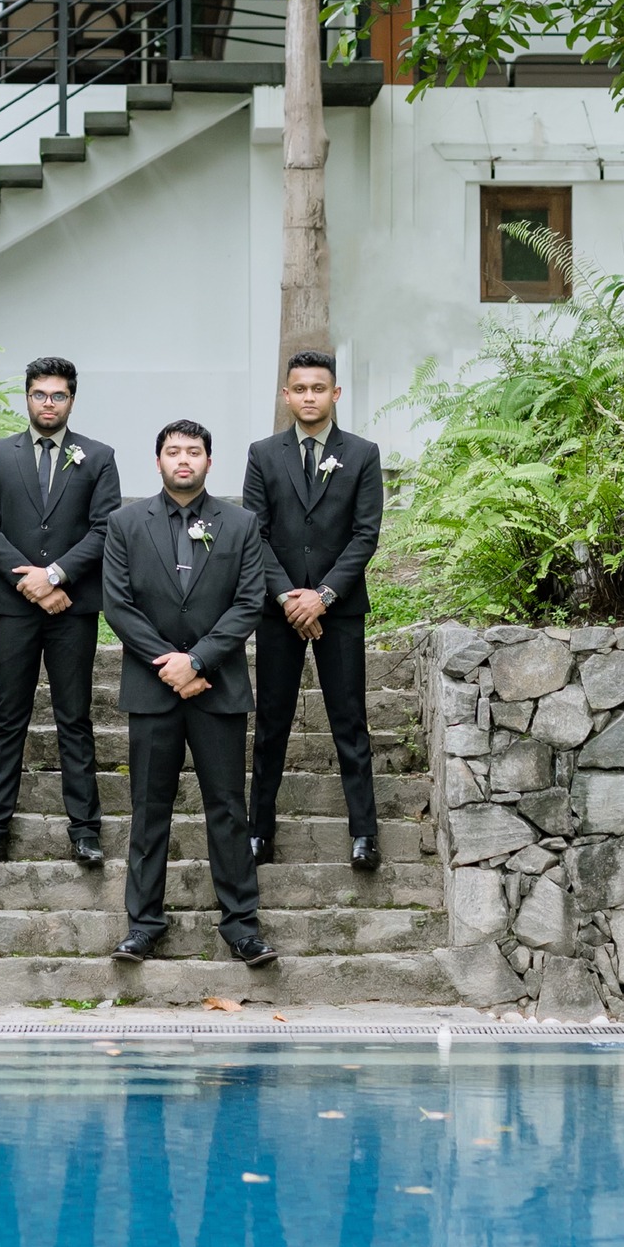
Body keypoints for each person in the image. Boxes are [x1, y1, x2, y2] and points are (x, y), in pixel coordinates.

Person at [100, 420, 275, 966]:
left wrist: (197, 661)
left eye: (193, 451)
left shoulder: (240, 524)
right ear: (158, 461)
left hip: (217, 688)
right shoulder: (125, 523)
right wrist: (170, 665)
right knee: (148, 809)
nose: (183, 459)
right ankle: (143, 924)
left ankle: (241, 926)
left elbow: (249, 602)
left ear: (208, 462)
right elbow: (118, 605)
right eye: (173, 451)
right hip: (152, 690)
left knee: (228, 808)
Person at [0, 357, 122, 868]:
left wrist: (54, 576)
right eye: (39, 394)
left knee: (74, 718)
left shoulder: (98, 457)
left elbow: (105, 529)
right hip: (11, 608)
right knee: (9, 717)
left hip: (72, 608)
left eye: (58, 395)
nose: (48, 403)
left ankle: (85, 831)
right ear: (27, 397)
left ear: (71, 399)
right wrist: (32, 584)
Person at [241, 349, 386, 872]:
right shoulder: (263, 454)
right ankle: (259, 830)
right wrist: (288, 597)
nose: (309, 397)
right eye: (299, 389)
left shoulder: (362, 454)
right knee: (271, 722)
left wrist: (322, 596)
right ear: (286, 395)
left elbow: (365, 535)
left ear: (335, 393)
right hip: (277, 610)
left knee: (350, 720)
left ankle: (364, 833)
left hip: (339, 611)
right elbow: (253, 534)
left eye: (318, 388)